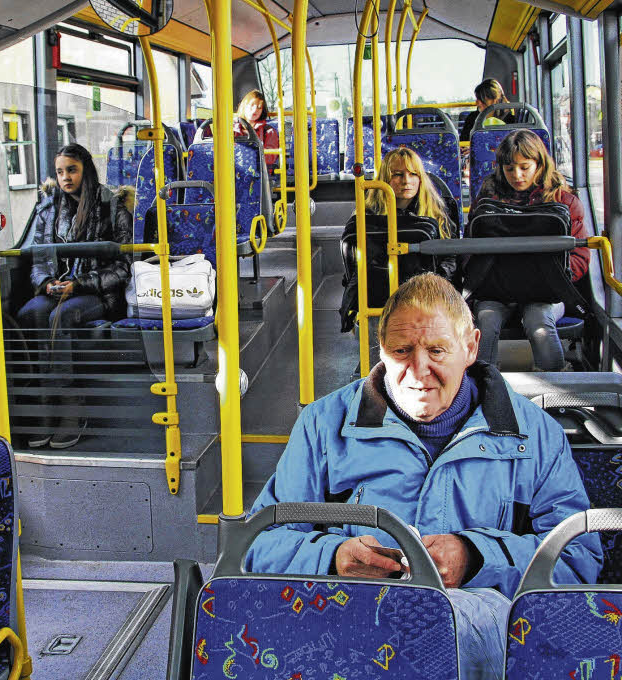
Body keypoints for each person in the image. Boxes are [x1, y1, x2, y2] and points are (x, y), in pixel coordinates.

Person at [247, 273, 602, 680]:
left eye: (437, 350)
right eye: (401, 351)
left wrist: (475, 557)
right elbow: (260, 544)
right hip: (355, 624)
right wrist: (334, 558)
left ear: (470, 347)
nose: (419, 371)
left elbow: (576, 561)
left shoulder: (535, 435)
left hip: (482, 636)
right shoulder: (322, 426)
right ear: (381, 350)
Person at [17, 143, 133, 449]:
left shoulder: (111, 205)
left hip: (97, 292)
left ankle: (70, 404)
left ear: (85, 171)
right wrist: (46, 283)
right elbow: (38, 257)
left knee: (61, 316)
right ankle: (43, 398)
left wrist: (78, 285)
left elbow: (123, 267)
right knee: (31, 312)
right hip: (58, 287)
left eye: (72, 170)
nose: (65, 177)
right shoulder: (49, 207)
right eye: (60, 172)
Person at [470, 128, 590, 371]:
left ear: (539, 164)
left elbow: (579, 256)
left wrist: (558, 279)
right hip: (498, 291)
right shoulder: (487, 199)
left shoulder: (562, 200)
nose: (517, 175)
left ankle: (556, 386)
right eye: (509, 168)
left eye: (525, 167)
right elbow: (471, 249)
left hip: (545, 292)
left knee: (539, 321)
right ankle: (483, 383)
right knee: (486, 321)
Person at [339, 148, 456, 340]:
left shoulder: (438, 213)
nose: (406, 181)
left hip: (427, 297)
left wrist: (438, 280)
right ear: (385, 178)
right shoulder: (365, 215)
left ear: (421, 178)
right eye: (398, 175)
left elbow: (450, 258)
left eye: (413, 174)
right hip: (378, 298)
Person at [201, 89, 280, 170]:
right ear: (244, 106)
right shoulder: (231, 129)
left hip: (259, 173)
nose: (255, 109)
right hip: (232, 171)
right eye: (252, 105)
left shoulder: (268, 131)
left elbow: (270, 157)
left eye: (259, 107)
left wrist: (246, 157)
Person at [460, 78, 515, 143]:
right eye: (477, 98)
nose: (477, 103)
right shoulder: (472, 118)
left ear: (494, 100)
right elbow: (463, 141)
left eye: (482, 99)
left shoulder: (509, 121)